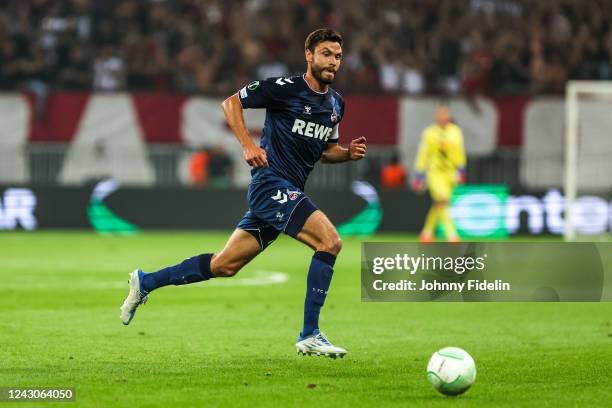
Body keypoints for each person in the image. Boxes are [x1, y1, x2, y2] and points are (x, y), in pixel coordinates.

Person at [120, 29, 367, 358]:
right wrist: (248, 144)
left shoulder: (336, 104)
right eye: (326, 54)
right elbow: (231, 103)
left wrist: (346, 153)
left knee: (224, 265)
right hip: (271, 184)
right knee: (330, 242)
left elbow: (326, 150)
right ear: (309, 55)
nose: (332, 62)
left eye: (337, 56)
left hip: (287, 191)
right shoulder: (284, 88)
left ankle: (145, 281)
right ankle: (310, 333)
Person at [412, 105, 466, 242]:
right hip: (434, 173)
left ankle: (427, 233)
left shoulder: (455, 131)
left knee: (440, 204)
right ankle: (452, 235)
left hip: (450, 173)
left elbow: (460, 152)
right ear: (437, 117)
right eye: (440, 115)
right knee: (442, 200)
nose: (443, 117)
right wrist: (419, 175)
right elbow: (423, 154)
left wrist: (461, 171)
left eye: (445, 115)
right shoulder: (429, 133)